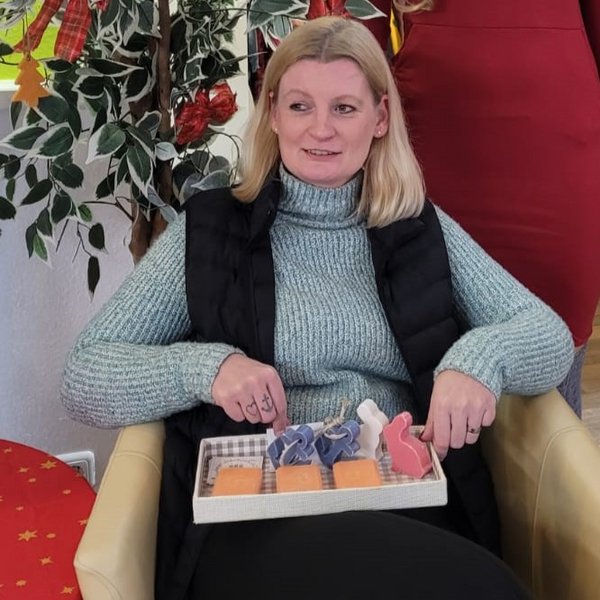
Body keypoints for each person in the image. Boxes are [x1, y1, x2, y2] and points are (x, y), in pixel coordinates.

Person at [61, 16, 573, 600]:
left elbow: (550, 337)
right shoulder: (208, 230)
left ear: (381, 118)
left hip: (401, 498)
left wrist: (479, 360)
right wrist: (205, 368)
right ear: (273, 113)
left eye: (345, 108)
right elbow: (83, 376)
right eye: (300, 106)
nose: (320, 129)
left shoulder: (421, 229)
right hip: (258, 513)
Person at [364, 0, 600, 416]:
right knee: (430, 350)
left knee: (557, 357)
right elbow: (352, 33)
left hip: (559, 148)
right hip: (435, 142)